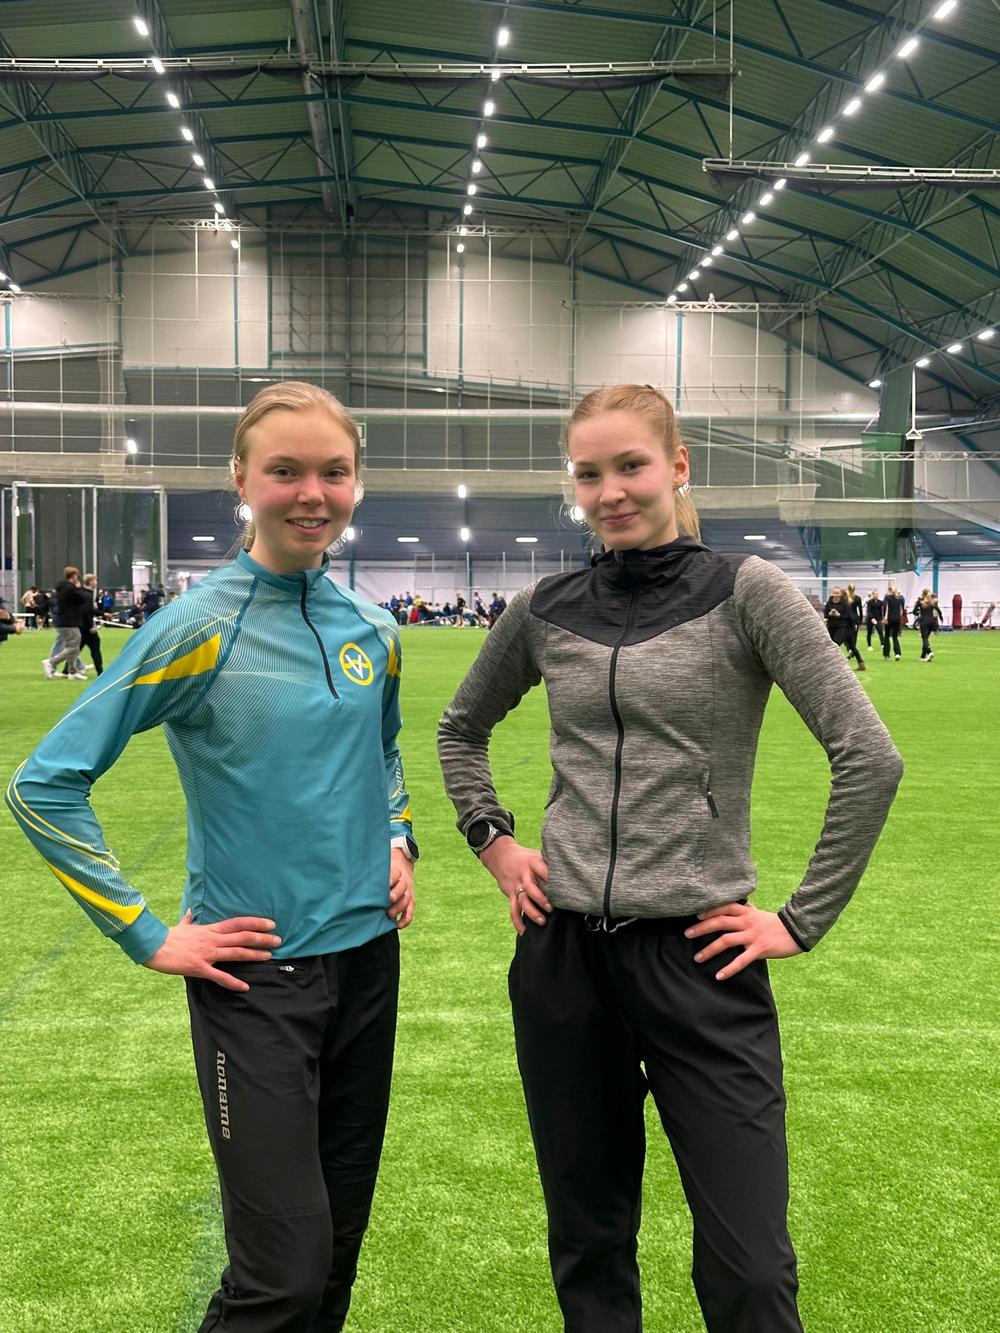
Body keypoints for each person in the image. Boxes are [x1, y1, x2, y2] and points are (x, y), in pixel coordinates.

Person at [438, 382, 902, 1333]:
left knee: (750, 1269)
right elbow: (460, 729)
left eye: (631, 465)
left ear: (678, 465)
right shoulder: (545, 608)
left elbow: (869, 756)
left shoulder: (747, 592)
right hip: (565, 962)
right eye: (588, 473)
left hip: (701, 961)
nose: (610, 491)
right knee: (589, 1240)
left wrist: (799, 919)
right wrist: (494, 840)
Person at [7, 380, 417, 1332]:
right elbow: (43, 784)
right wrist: (147, 933)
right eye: (286, 471)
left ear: (357, 482)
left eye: (334, 471)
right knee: (281, 1276)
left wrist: (398, 836)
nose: (311, 493)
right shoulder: (198, 626)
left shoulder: (376, 629)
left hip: (369, 965)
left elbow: (386, 750)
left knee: (335, 1257)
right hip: (255, 980)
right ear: (242, 480)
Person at [42, 566, 88, 680]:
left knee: (72, 646)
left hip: (63, 621)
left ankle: (72, 671)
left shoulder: (61, 588)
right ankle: (51, 662)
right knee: (73, 647)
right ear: (74, 576)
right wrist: (78, 588)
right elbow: (82, 599)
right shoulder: (70, 589)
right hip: (69, 621)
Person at [824, 586, 865, 670]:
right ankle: (861, 663)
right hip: (831, 627)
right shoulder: (829, 603)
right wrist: (830, 614)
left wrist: (839, 615)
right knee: (851, 646)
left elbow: (849, 616)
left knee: (835, 644)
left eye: (837, 593)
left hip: (842, 627)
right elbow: (825, 614)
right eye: (834, 593)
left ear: (840, 594)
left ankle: (834, 665)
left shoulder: (845, 604)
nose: (836, 595)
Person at [917, 590, 943, 661]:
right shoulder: (931, 602)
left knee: (924, 638)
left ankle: (929, 652)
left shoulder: (920, 602)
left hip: (924, 622)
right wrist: (941, 618)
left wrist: (918, 613)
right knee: (926, 639)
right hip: (932, 622)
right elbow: (938, 610)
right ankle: (923, 656)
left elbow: (914, 611)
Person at [881, 585, 905, 660]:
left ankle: (886, 654)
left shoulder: (887, 597)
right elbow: (901, 610)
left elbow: (885, 608)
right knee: (895, 637)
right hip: (897, 619)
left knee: (887, 636)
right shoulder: (899, 598)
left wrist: (885, 618)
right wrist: (899, 618)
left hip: (889, 619)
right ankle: (897, 653)